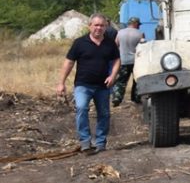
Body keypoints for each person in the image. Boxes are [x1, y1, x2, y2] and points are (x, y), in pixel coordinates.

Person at [57, 13, 121, 153]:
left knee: (104, 114)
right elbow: (68, 63)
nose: (99, 28)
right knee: (81, 108)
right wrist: (61, 83)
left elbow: (117, 60)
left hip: (103, 86)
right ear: (90, 26)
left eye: (102, 25)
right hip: (83, 85)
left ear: (106, 27)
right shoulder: (79, 43)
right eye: (96, 25)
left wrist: (113, 75)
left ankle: (100, 142)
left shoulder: (110, 43)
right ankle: (85, 141)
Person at [112, 17, 145, 106]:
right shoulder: (140, 34)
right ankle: (136, 98)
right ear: (136, 24)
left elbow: (115, 45)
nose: (139, 26)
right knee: (137, 80)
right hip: (136, 62)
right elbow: (143, 47)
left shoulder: (120, 33)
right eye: (138, 25)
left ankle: (117, 98)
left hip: (122, 61)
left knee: (121, 81)